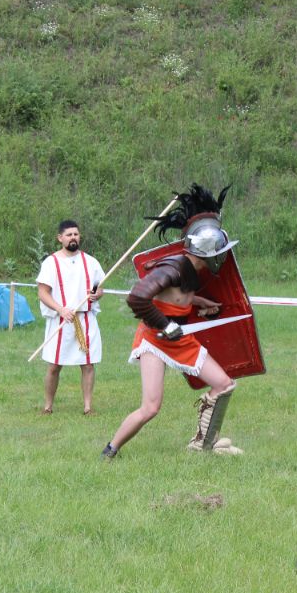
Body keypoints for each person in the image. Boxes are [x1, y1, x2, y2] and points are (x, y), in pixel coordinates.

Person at [101, 184, 242, 459]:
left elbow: (175, 298)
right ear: (207, 251)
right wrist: (165, 326)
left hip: (178, 341)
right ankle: (110, 451)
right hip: (155, 338)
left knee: (224, 384)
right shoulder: (173, 267)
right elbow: (137, 298)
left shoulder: (192, 268)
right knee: (150, 407)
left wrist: (199, 303)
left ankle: (202, 445)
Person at [36, 220, 105, 415]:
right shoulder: (51, 263)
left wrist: (97, 294)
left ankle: (88, 407)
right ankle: (48, 407)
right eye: (69, 235)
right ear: (60, 238)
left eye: (76, 234)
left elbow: (100, 288)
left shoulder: (90, 262)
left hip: (85, 319)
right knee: (54, 365)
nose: (73, 238)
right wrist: (61, 309)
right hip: (61, 319)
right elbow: (42, 292)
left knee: (88, 364)